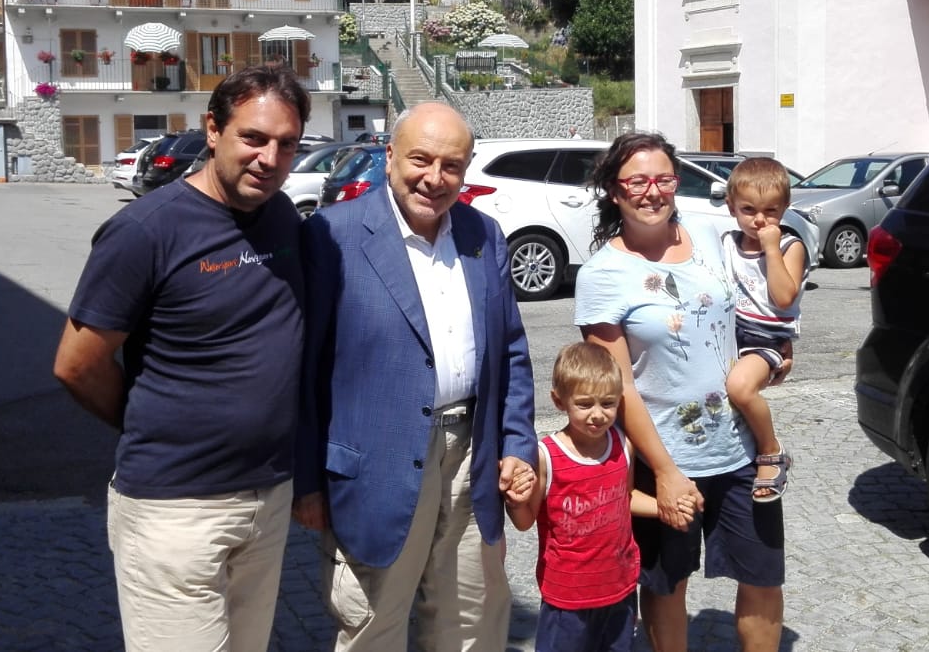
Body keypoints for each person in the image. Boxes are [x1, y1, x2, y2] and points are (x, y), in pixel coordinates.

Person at [52, 66, 311, 652]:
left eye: (286, 144)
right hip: (175, 508)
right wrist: (153, 422)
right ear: (213, 130)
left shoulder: (280, 215)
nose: (270, 159)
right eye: (253, 138)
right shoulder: (145, 230)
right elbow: (76, 364)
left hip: (267, 496)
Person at [294, 100, 538, 652]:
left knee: (472, 624)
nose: (435, 178)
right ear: (389, 157)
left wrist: (517, 444)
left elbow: (511, 351)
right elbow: (304, 369)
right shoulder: (333, 234)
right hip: (375, 465)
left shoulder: (483, 234)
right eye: (421, 160)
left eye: (451, 166)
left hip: (472, 457)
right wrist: (306, 479)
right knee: (372, 628)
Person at [574, 132, 788, 652]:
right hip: (664, 458)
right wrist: (666, 472)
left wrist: (775, 349)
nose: (652, 191)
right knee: (666, 586)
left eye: (664, 179)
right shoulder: (602, 274)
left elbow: (761, 300)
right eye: (637, 182)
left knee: (763, 578)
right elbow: (619, 385)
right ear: (614, 191)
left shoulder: (711, 235)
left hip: (740, 451)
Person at [506, 341, 682, 652]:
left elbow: (625, 497)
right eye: (585, 404)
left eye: (608, 403)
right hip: (567, 598)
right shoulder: (547, 456)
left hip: (619, 589)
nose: (598, 414)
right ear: (559, 401)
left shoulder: (622, 445)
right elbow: (524, 521)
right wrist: (515, 501)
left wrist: (664, 508)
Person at [721, 157, 807, 503]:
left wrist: (771, 248)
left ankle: (771, 451)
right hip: (728, 334)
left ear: (785, 208)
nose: (759, 220)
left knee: (740, 388)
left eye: (771, 211)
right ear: (731, 207)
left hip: (766, 338)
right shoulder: (727, 243)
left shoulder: (790, 247)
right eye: (749, 209)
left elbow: (784, 297)